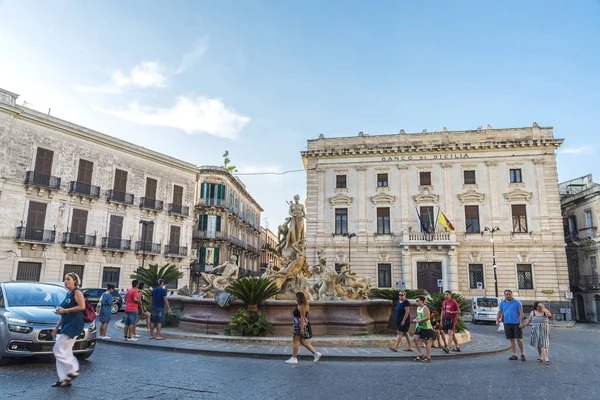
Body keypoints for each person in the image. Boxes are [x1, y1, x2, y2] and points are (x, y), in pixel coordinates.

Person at [51, 272, 85, 387]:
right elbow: (63, 311)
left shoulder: (77, 292)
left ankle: (73, 370)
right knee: (65, 351)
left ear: (75, 281)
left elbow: (82, 307)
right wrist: (56, 327)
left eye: (68, 279)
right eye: (65, 279)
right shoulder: (68, 293)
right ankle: (64, 379)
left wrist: (65, 311)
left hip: (74, 324)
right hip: (66, 324)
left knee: (57, 349)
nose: (65, 281)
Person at [285, 292, 322, 364]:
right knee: (302, 341)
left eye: (296, 297)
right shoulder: (301, 305)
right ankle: (316, 354)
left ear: (299, 297)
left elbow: (302, 318)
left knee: (295, 341)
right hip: (299, 325)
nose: (295, 298)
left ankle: (294, 358)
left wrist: (301, 329)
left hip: (299, 326)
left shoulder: (302, 306)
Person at [496, 289, 526, 361]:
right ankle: (514, 354)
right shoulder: (502, 303)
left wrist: (521, 322)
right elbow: (499, 312)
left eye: (509, 294)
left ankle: (522, 353)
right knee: (511, 339)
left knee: (518, 338)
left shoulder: (517, 303)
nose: (508, 296)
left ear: (512, 294)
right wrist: (497, 320)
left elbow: (521, 313)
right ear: (504, 295)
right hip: (507, 323)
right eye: (506, 294)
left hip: (516, 323)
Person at [412, 296, 433, 363]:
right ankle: (420, 354)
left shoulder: (425, 308)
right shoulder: (418, 308)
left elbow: (428, 317)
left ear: (421, 301)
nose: (416, 302)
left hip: (426, 327)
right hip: (419, 327)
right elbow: (419, 315)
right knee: (415, 338)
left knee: (426, 342)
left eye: (417, 301)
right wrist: (416, 319)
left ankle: (429, 357)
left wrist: (419, 321)